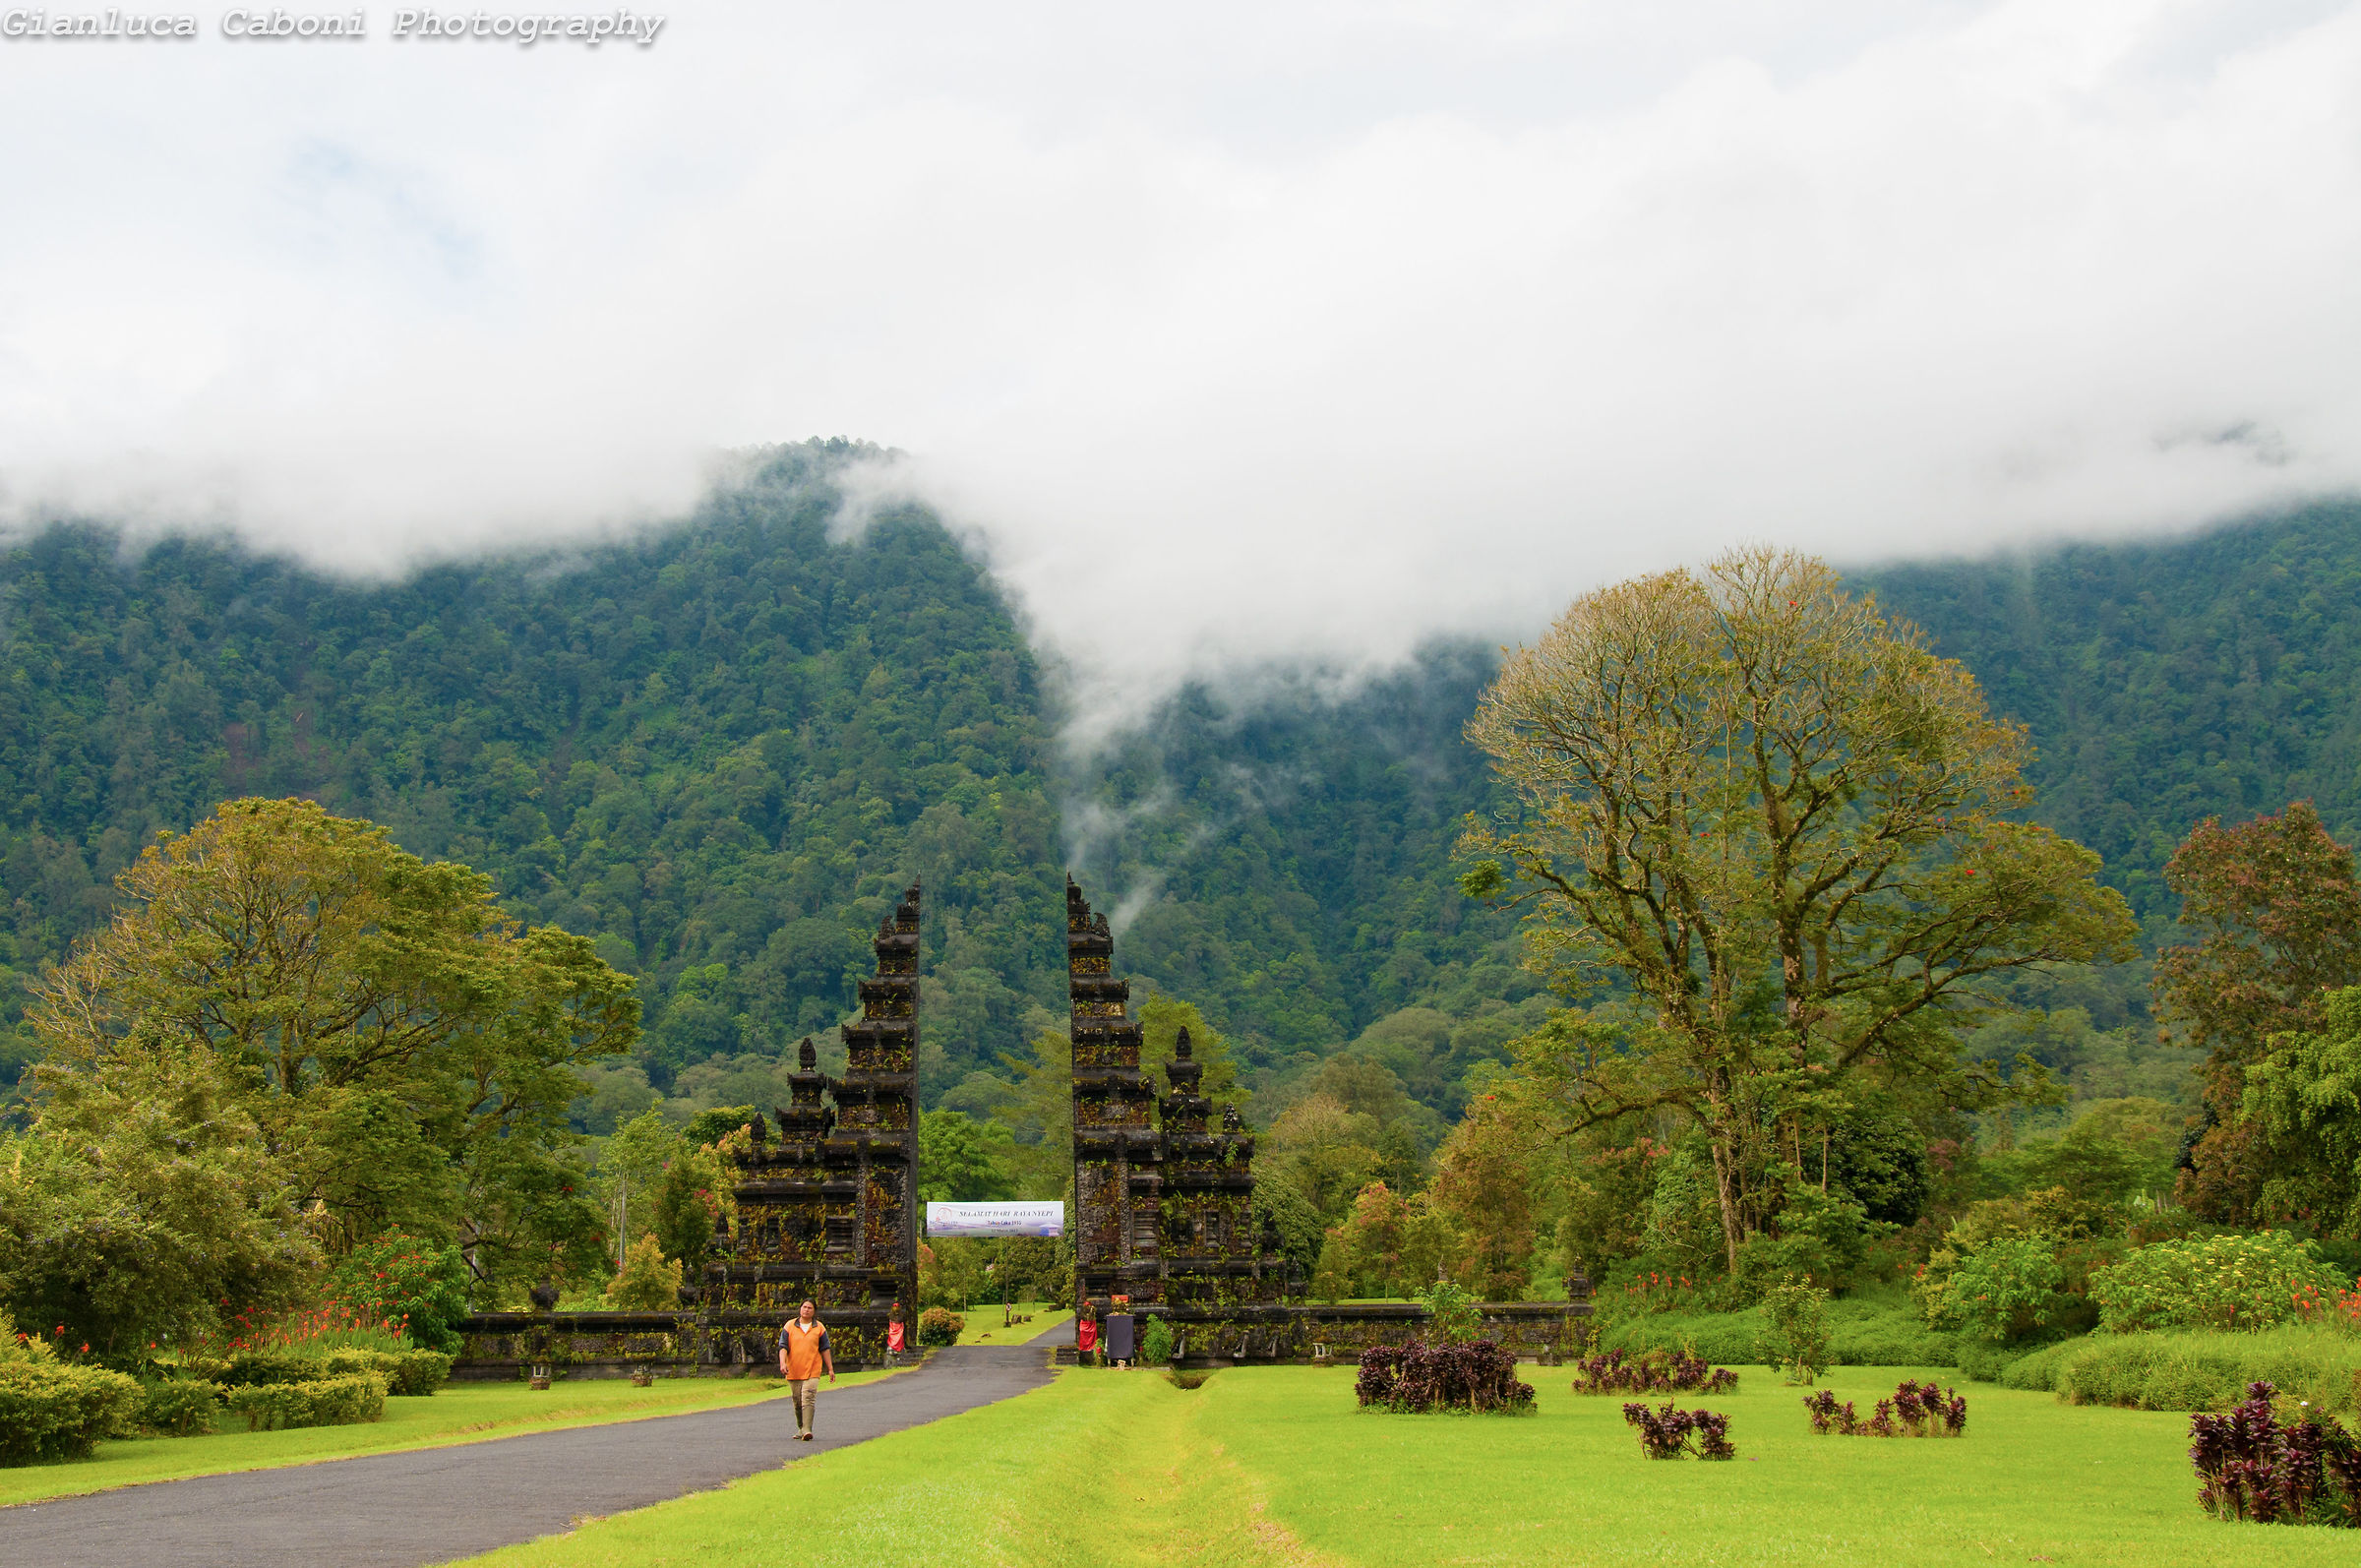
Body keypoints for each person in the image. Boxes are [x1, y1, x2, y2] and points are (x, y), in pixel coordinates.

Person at [777, 1298, 835, 1441]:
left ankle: (807, 1430)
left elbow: (825, 1349)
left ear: (814, 1311)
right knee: (797, 1401)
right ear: (800, 1309)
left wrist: (830, 1369)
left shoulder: (819, 1328)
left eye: (810, 1308)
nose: (806, 1310)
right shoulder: (789, 1326)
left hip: (813, 1369)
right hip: (794, 1369)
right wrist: (782, 1363)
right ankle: (801, 1427)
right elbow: (783, 1346)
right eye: (804, 1307)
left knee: (808, 1398)